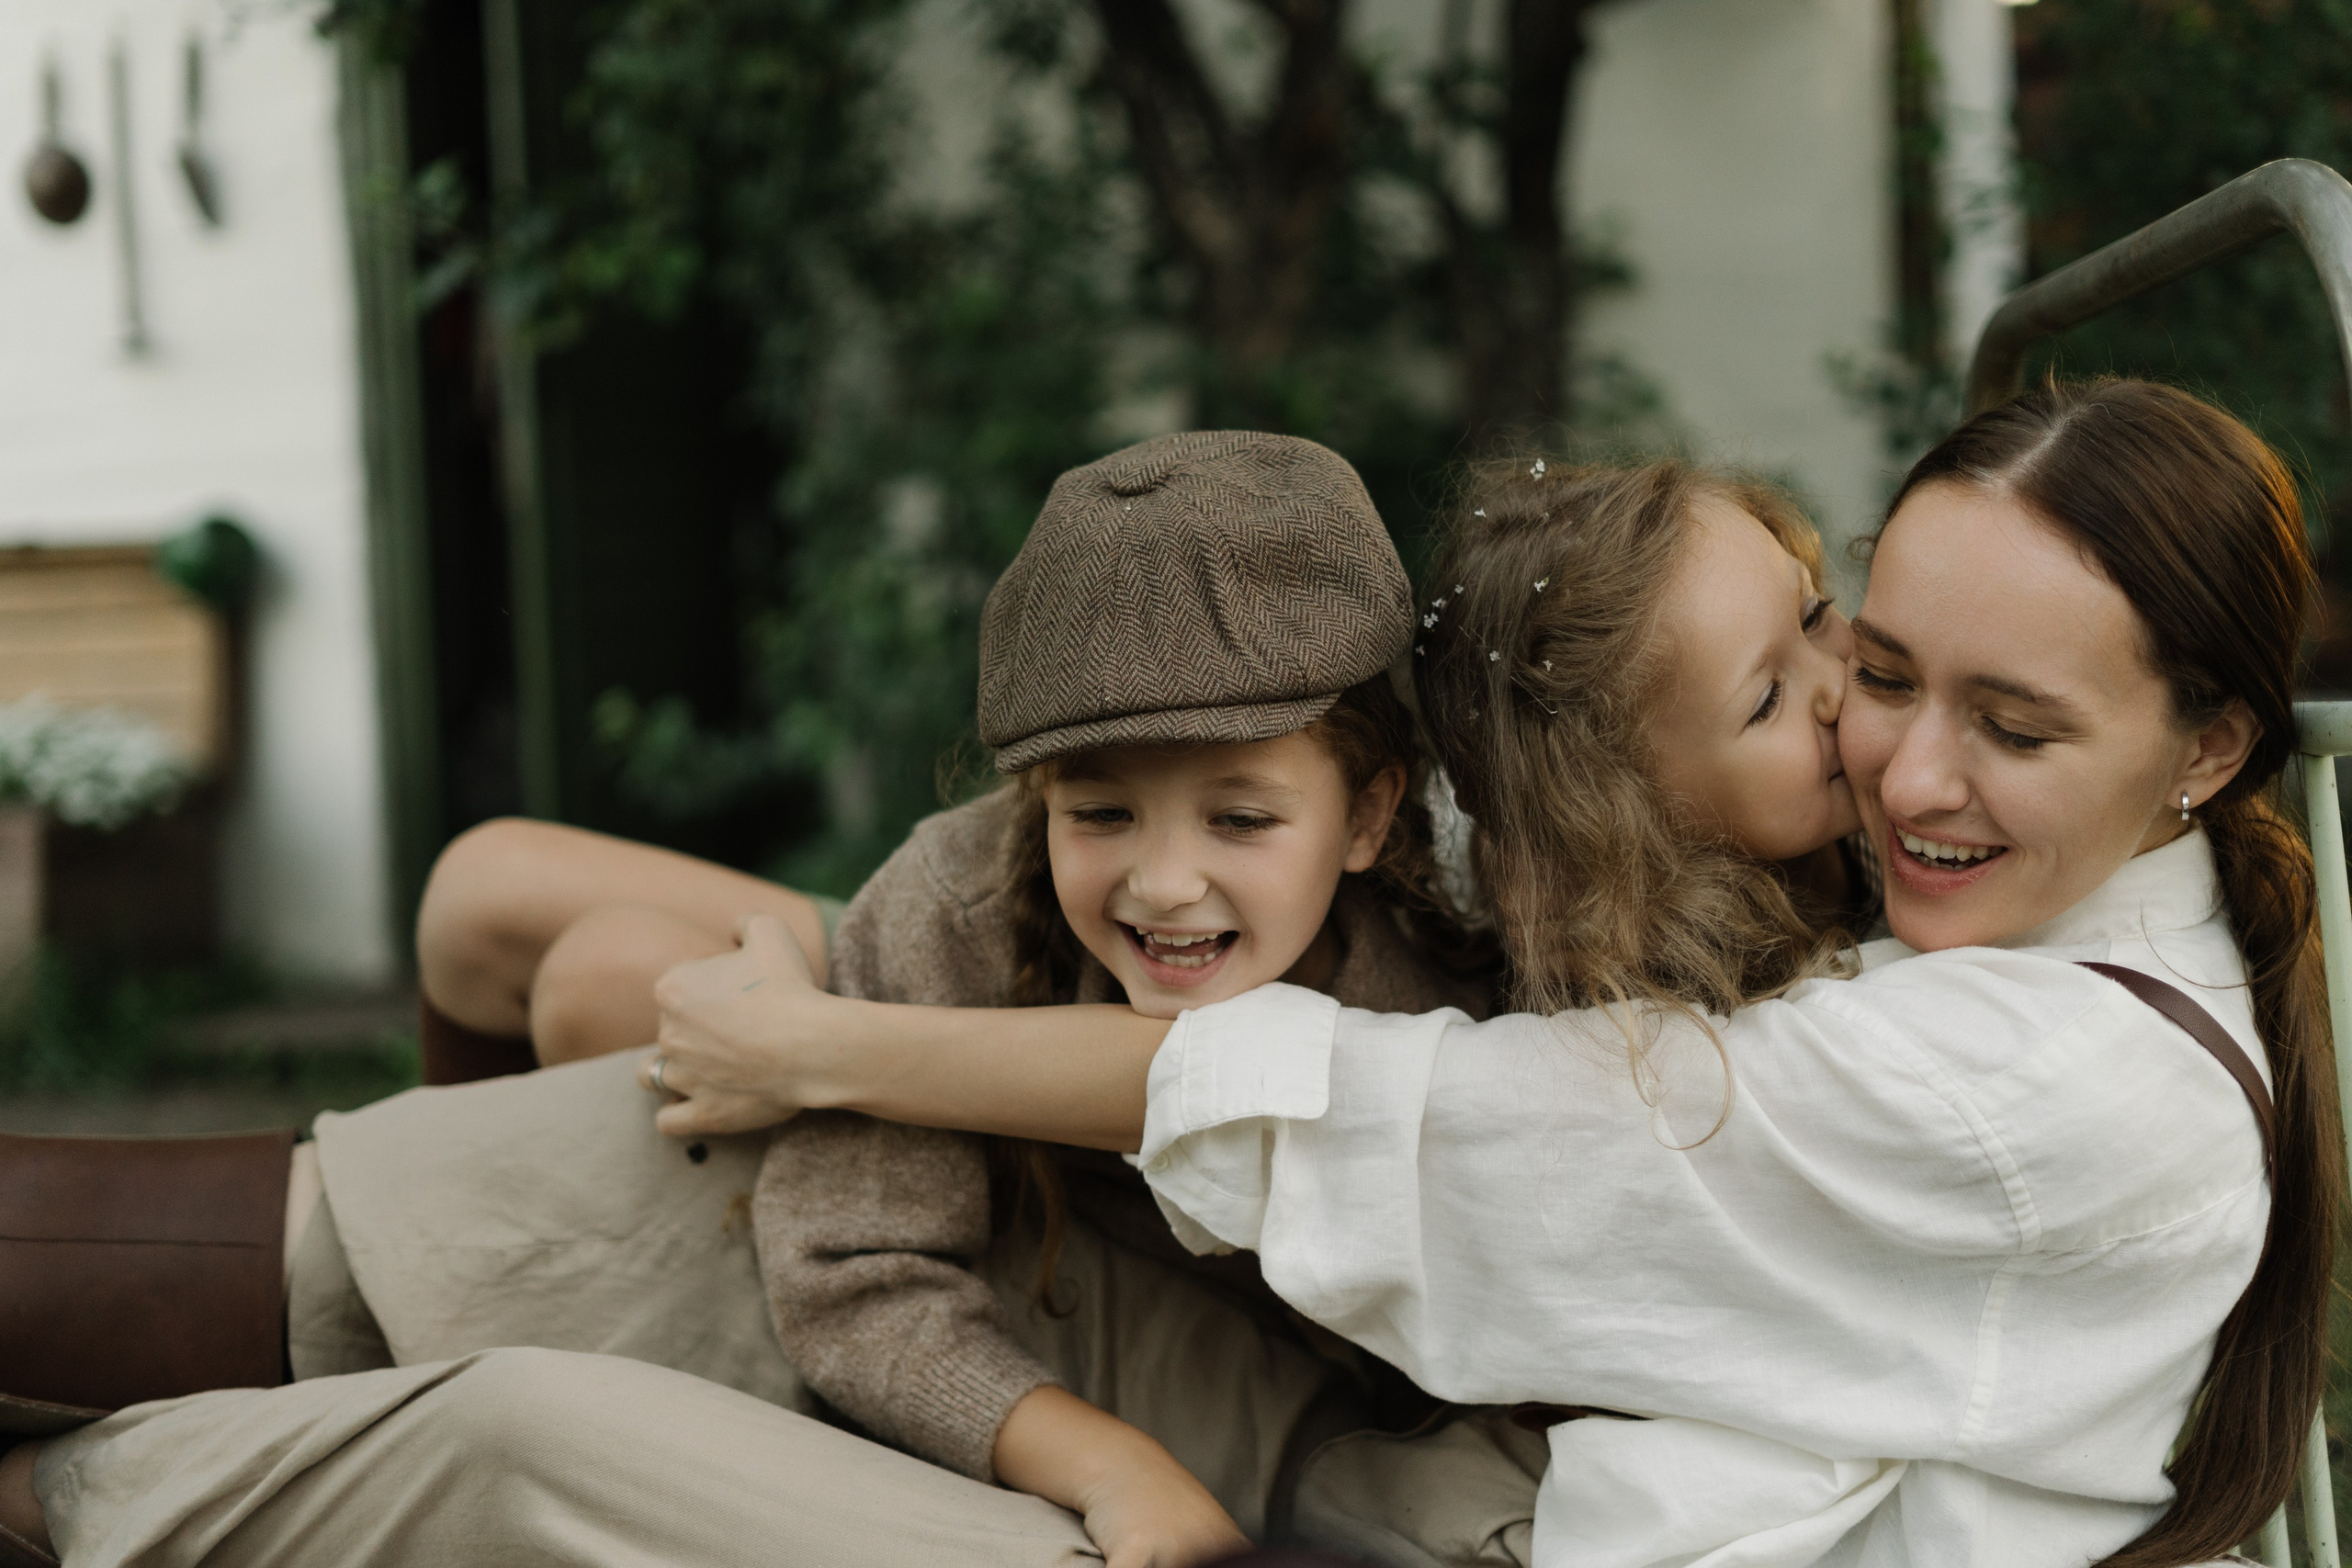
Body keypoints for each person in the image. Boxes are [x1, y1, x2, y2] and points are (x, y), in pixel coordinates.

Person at [2, 441, 1863, 1568]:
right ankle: (309, 1320)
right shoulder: (961, 893)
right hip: (1000, 1269)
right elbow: (858, 1272)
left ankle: (205, 1405)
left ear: (1373, 810)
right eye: (1095, 809)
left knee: (585, 1056)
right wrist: (1093, 1451)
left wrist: (824, 1045)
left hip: (1207, 1346)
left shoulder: (1456, 962)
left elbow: (1323, 1095)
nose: (1160, 875)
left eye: (1237, 811)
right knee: (575, 1001)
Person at [639, 379, 2335, 1568]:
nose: (1897, 768)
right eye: (1878, 666)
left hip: (1473, 1509)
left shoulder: (2014, 1086)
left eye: (2016, 726)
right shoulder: (1985, 925)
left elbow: (1350, 1113)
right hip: (1395, 1449)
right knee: (615, 1080)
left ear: (2211, 748)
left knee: (589, 1325)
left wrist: (821, 1048)